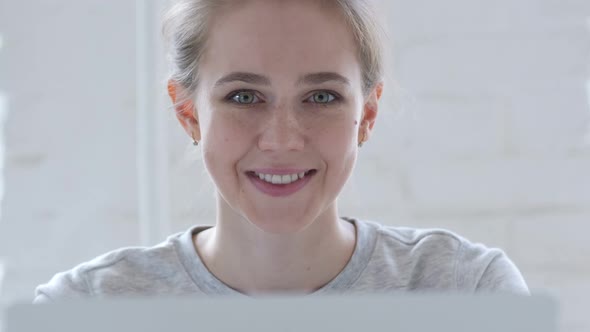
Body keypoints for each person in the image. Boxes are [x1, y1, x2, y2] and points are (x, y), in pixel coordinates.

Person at [34, 0, 529, 302]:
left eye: (321, 97)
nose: (282, 139)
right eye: (244, 97)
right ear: (188, 113)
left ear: (368, 114)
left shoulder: (465, 288)